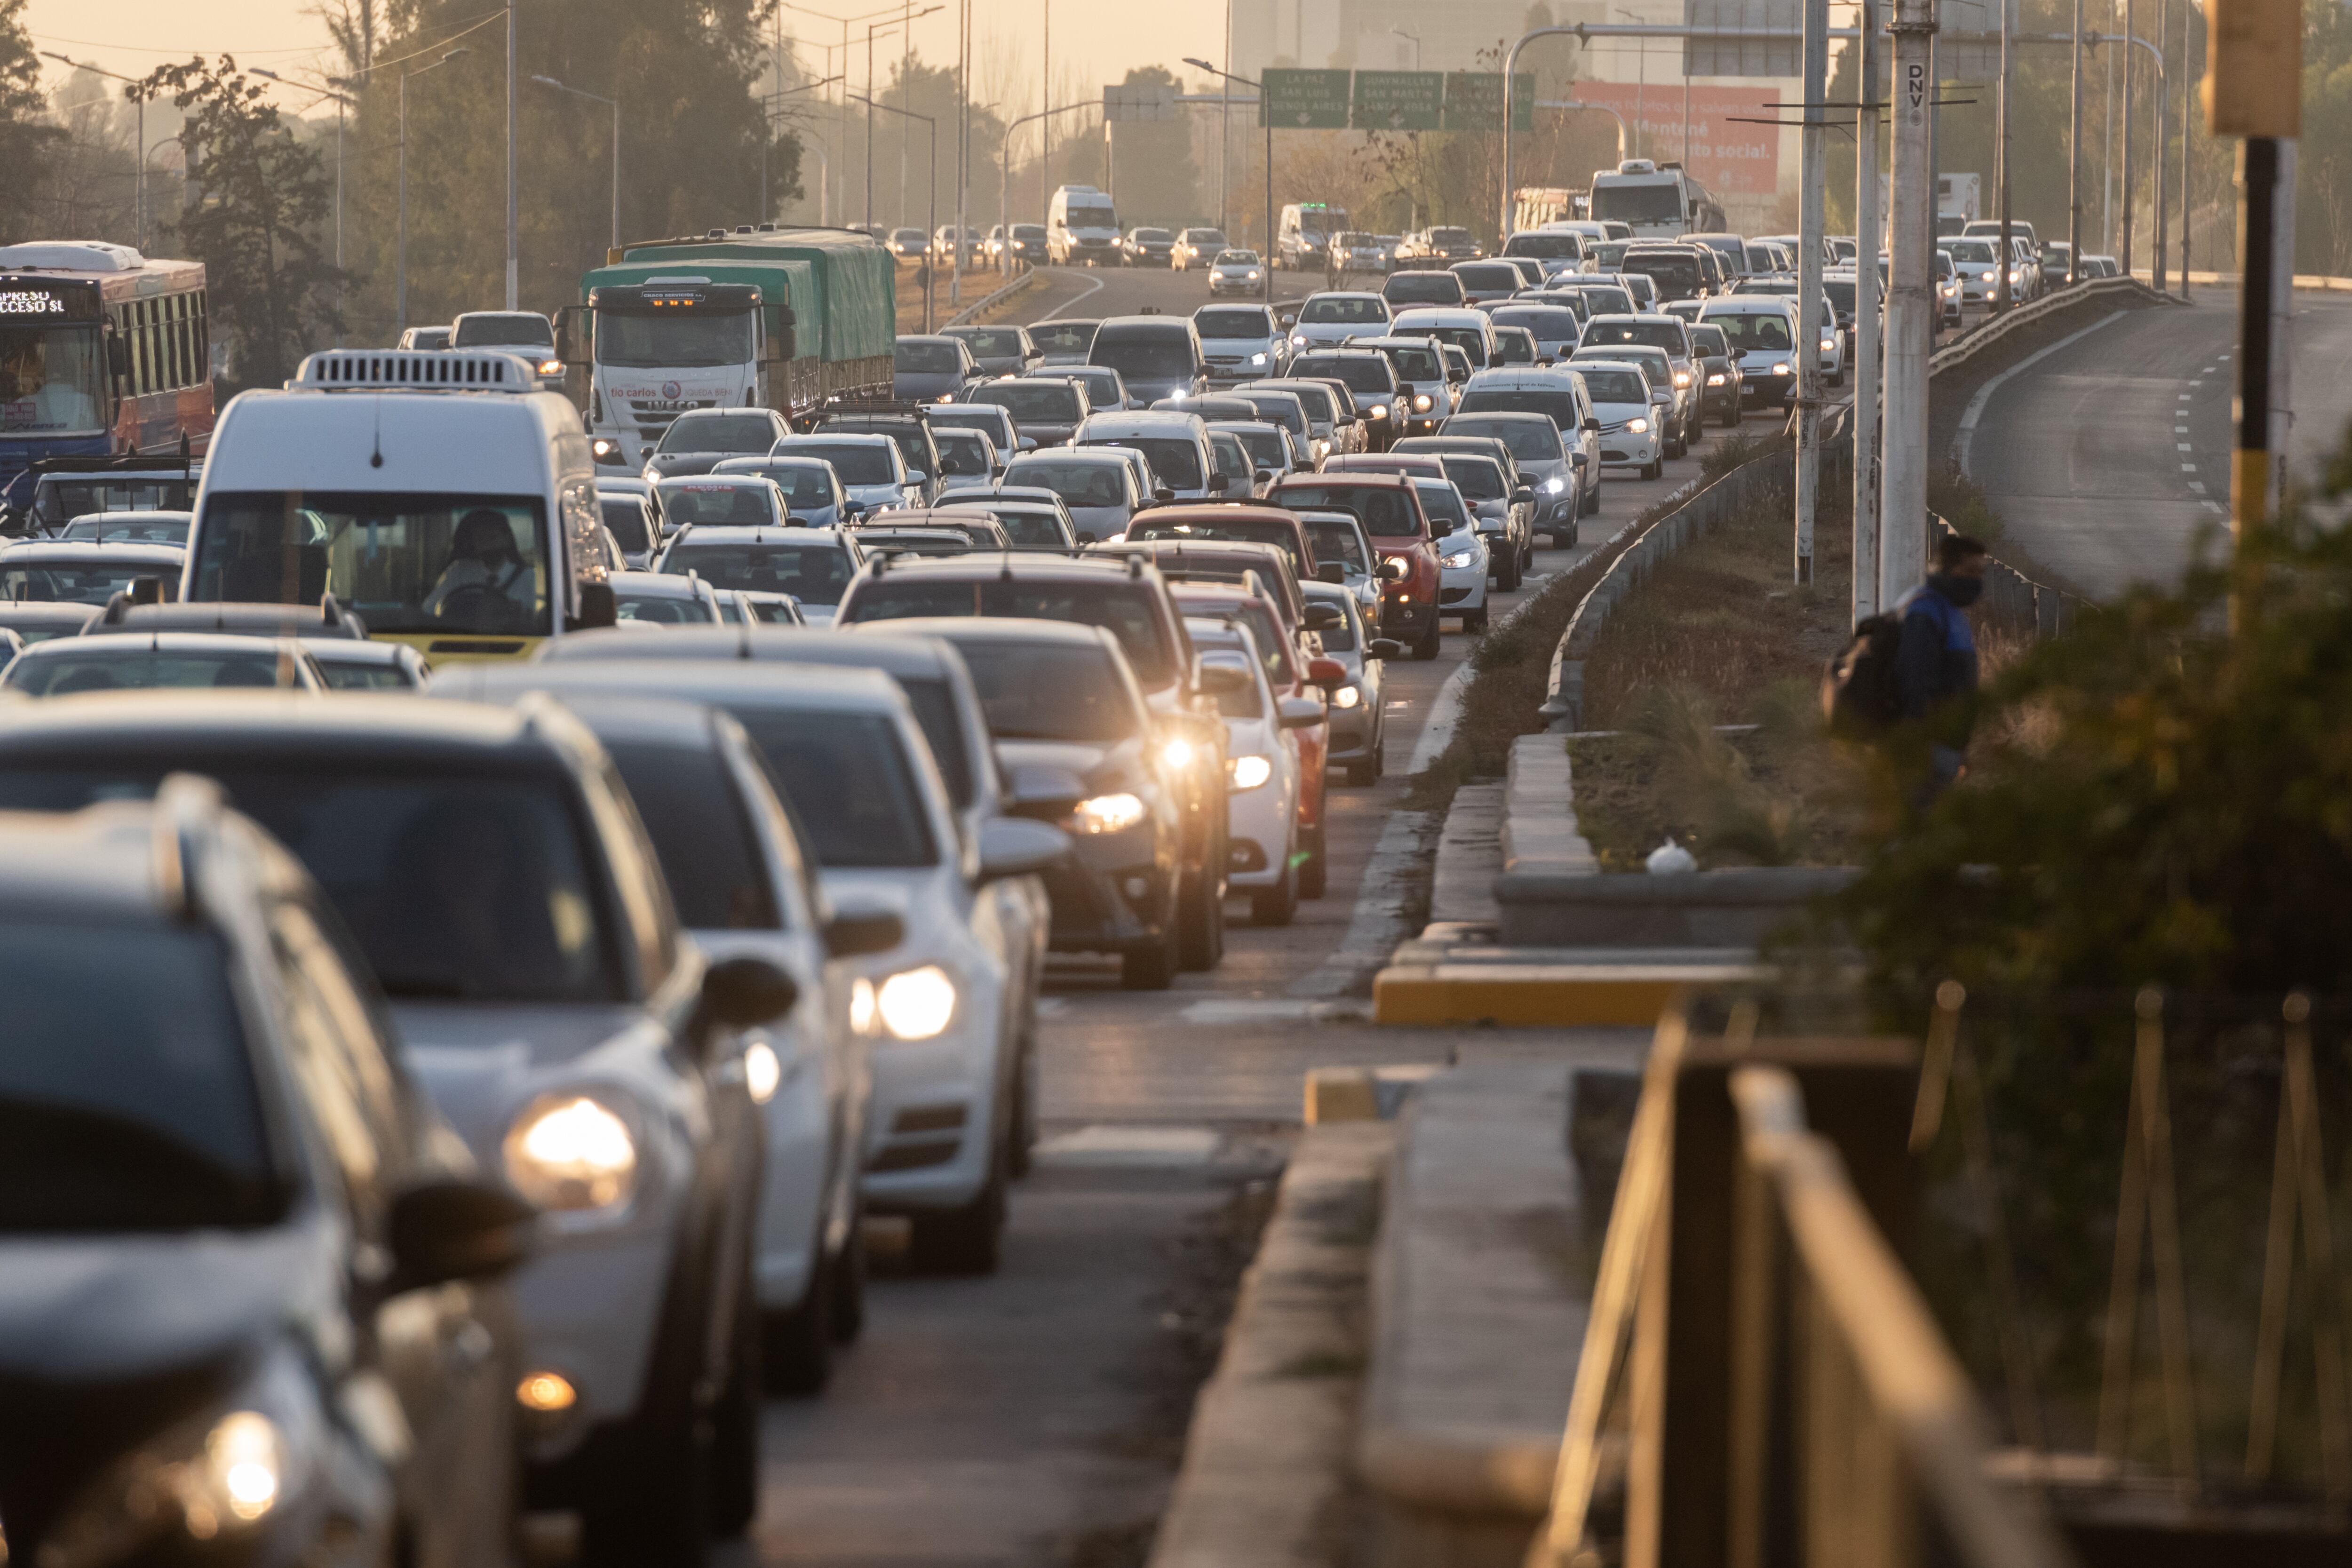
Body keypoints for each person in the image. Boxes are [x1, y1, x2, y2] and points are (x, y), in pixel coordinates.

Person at [1896, 532, 1989, 804]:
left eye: (1981, 572)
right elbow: (1914, 679)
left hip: (1946, 747)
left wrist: (1961, 746)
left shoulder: (1951, 613)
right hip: (1927, 748)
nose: (1977, 580)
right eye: (1971, 571)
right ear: (1950, 569)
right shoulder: (1925, 610)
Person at [425, 509, 536, 625]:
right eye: (481, 539)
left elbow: (540, 618)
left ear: (507, 539)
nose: (488, 545)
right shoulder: (458, 573)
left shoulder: (529, 578)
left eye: (493, 538)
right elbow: (429, 610)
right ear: (474, 544)